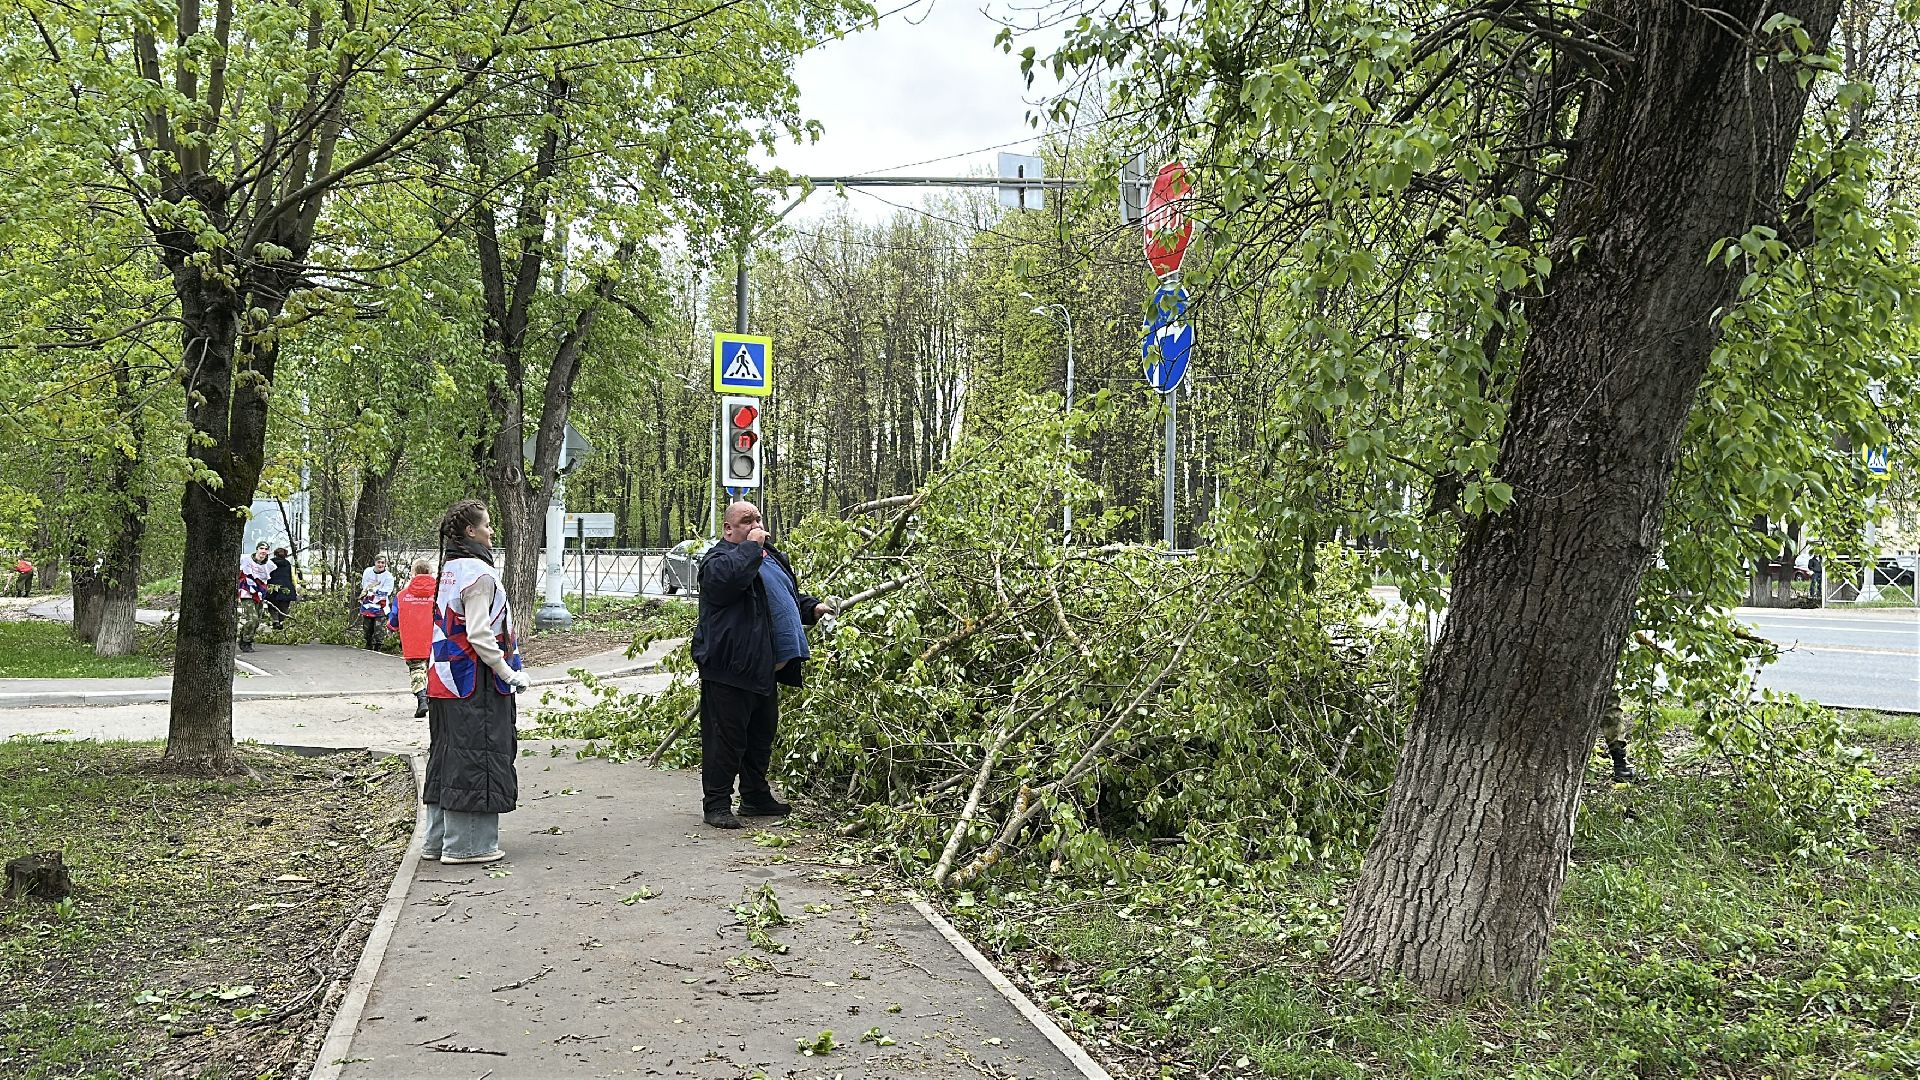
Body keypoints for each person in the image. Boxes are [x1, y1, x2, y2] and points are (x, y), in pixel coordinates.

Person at [690, 500, 834, 829]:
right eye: (746, 521)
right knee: (726, 739)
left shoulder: (772, 558)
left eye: (757, 518)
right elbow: (726, 584)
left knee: (760, 736)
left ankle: (755, 796)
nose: (756, 525)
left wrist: (813, 609)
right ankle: (716, 803)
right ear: (728, 528)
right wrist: (752, 547)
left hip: (766, 667)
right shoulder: (720, 559)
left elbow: (785, 597)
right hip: (731, 666)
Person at [422, 500, 530, 864]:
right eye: (487, 525)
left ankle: (437, 841)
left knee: (448, 755)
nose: (492, 531)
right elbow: (480, 633)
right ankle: (468, 845)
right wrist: (508, 672)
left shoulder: (450, 569)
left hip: (444, 679)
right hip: (475, 682)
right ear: (471, 532)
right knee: (478, 755)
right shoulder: (480, 575)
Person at [389, 556, 437, 718]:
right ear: (430, 573)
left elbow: (394, 616)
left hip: (413, 639)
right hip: (436, 639)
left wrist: (392, 627)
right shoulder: (439, 594)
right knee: (435, 670)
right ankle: (435, 701)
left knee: (417, 670)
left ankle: (421, 698)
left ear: (413, 574)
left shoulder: (402, 596)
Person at [236, 542, 273, 653]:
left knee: (257, 621)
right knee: (253, 619)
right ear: (257, 549)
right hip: (247, 593)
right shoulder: (246, 560)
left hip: (259, 594)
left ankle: (243, 636)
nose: (263, 551)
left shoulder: (268, 565)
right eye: (261, 548)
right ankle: (246, 642)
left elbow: (267, 579)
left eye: (266, 549)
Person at [357, 554, 396, 650]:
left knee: (379, 628)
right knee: (367, 627)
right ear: (375, 562)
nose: (380, 564)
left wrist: (375, 591)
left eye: (382, 563)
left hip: (380, 605)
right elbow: (364, 585)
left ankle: (378, 647)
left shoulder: (388, 576)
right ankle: (368, 643)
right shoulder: (368, 572)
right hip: (368, 604)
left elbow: (388, 591)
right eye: (378, 562)